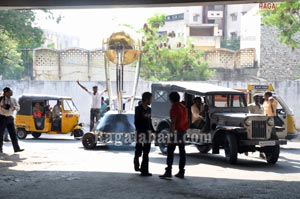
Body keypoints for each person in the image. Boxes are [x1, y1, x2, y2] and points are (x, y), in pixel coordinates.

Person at [159, 92, 188, 179]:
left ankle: (168, 171)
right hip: (183, 131)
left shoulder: (174, 107)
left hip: (176, 132)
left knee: (170, 151)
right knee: (182, 152)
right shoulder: (183, 107)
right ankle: (181, 171)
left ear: (171, 99)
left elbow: (173, 122)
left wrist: (171, 135)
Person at [134, 92, 153, 177]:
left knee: (146, 152)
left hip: (148, 132)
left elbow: (150, 121)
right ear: (146, 99)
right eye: (150, 99)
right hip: (140, 132)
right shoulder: (138, 109)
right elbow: (136, 121)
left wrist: (152, 131)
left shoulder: (149, 110)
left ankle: (144, 170)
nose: (151, 101)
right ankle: (136, 159)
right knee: (139, 150)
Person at [0, 87, 24, 153]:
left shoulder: (13, 99)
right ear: (6, 93)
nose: (11, 92)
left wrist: (14, 107)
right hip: (2, 117)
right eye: (10, 91)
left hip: (10, 117)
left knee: (13, 134)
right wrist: (2, 106)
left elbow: (18, 107)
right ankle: (0, 149)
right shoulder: (1, 99)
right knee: (0, 134)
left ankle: (16, 148)